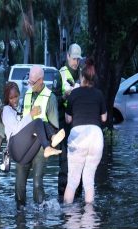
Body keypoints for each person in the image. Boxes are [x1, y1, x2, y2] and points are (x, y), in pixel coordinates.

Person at [14, 65, 60, 207]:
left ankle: (39, 216)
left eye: (32, 82)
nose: (30, 84)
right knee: (19, 184)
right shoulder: (27, 94)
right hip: (25, 144)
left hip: (40, 146)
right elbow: (21, 120)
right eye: (29, 81)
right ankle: (19, 213)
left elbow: (54, 127)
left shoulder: (50, 98)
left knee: (37, 183)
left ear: (41, 80)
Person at [63, 58, 107, 204]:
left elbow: (68, 120)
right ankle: (90, 220)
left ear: (81, 76)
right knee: (89, 181)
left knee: (73, 182)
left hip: (78, 137)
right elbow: (104, 118)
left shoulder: (74, 94)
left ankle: (68, 217)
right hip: (95, 137)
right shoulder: (99, 94)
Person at [2, 82, 64, 164]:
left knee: (41, 126)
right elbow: (16, 128)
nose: (14, 100)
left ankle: (52, 138)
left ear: (19, 94)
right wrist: (31, 114)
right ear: (7, 99)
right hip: (14, 147)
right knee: (37, 121)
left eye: (16, 96)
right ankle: (48, 146)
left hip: (24, 157)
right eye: (11, 98)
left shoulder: (21, 105)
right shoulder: (6, 110)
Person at [56, 43, 83, 198]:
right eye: (74, 58)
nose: (76, 62)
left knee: (79, 160)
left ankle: (77, 195)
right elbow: (53, 100)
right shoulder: (60, 75)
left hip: (78, 124)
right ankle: (62, 195)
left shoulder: (82, 74)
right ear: (67, 56)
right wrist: (64, 96)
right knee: (64, 162)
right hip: (63, 125)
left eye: (78, 59)